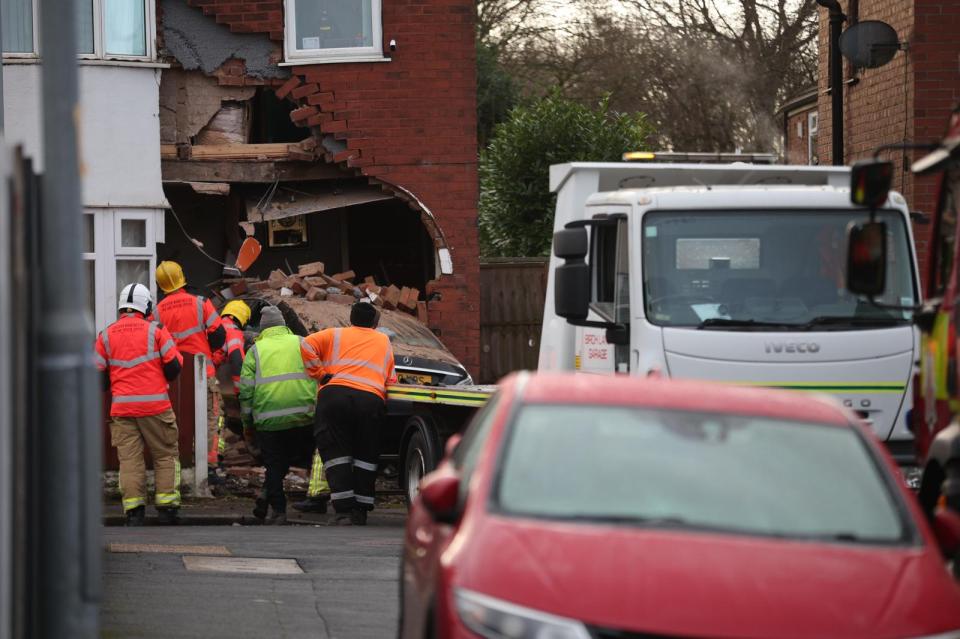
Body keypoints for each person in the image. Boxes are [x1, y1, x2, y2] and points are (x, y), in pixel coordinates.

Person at [95, 284, 184, 526]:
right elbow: (175, 365)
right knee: (165, 455)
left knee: (130, 461)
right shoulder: (156, 331)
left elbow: (98, 376)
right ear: (146, 306)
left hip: (122, 410)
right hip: (156, 407)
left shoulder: (106, 334)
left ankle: (134, 513)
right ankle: (167, 510)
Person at [300, 301, 394, 525]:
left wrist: (320, 374)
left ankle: (343, 512)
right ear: (374, 322)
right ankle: (360, 510)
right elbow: (390, 378)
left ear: (350, 318)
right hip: (370, 399)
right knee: (366, 454)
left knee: (335, 453)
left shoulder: (335, 334)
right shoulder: (383, 340)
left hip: (335, 396)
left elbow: (306, 344)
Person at [239, 306, 318, 525]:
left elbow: (246, 392)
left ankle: (279, 511)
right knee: (297, 459)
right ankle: (321, 500)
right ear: (283, 325)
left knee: (274, 465)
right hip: (305, 415)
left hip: (270, 419)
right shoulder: (302, 342)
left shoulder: (255, 351)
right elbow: (319, 373)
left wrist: (248, 424)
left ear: (263, 329)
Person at [155, 260, 226, 475]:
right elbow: (219, 334)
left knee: (178, 421)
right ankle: (211, 467)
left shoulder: (157, 312)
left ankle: (180, 464)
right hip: (203, 373)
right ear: (182, 278)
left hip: (173, 378)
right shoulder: (201, 303)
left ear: (161, 285)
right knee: (211, 418)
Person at [211, 300, 250, 466]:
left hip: (195, 374)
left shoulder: (215, 325)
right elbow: (237, 362)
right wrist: (240, 392)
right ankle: (213, 461)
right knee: (215, 418)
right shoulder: (233, 332)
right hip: (207, 375)